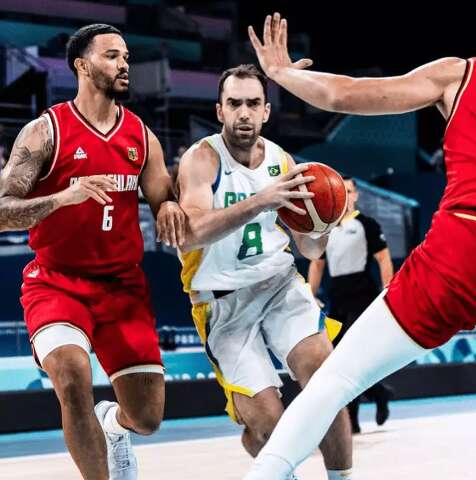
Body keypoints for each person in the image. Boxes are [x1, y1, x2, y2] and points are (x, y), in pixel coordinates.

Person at [243, 12, 476, 479]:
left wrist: (284, 73)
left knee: (336, 379)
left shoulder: (460, 73)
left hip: (464, 246)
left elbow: (345, 94)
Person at [0, 24, 184, 480]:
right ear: (82, 65)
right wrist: (63, 198)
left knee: (146, 418)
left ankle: (114, 425)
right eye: (111, 56)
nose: (124, 64)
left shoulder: (142, 137)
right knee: (72, 379)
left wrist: (171, 208)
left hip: (123, 287)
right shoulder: (44, 133)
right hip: (57, 283)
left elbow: (164, 196)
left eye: (126, 56)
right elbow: (2, 211)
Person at [177, 63, 353, 480]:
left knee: (326, 382)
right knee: (270, 424)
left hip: (279, 286)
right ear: (219, 111)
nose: (244, 113)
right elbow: (190, 234)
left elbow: (308, 247)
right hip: (223, 305)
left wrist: (321, 226)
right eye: (234, 103)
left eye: (253, 103)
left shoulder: (281, 160)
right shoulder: (201, 159)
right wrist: (260, 200)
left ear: (266, 111)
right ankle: (260, 440)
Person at [308, 175, 394, 433]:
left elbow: (384, 259)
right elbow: (317, 263)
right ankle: (378, 394)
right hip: (338, 300)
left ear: (355, 195)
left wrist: (387, 291)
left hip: (363, 298)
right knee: (338, 361)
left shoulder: (366, 224)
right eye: (341, 191)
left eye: (349, 190)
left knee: (352, 357)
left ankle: (354, 418)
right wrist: (311, 295)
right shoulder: (326, 229)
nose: (345, 195)